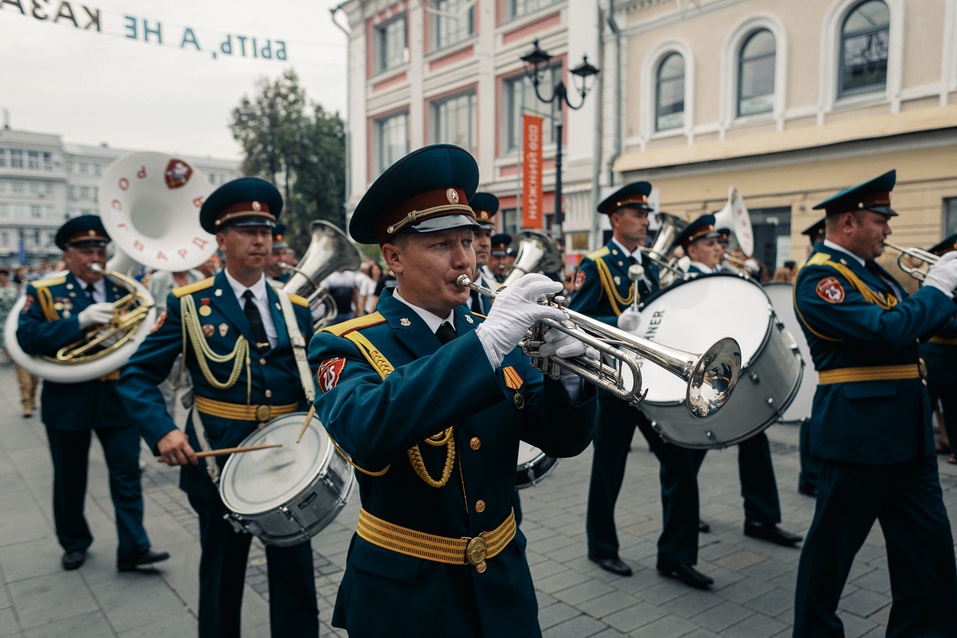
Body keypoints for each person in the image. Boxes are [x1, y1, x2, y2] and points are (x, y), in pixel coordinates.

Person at [308, 144, 598, 638]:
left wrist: (568, 373)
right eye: (442, 245)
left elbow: (563, 440)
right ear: (394, 257)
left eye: (468, 240)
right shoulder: (346, 342)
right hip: (408, 598)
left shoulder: (493, 330)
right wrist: (486, 345)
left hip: (503, 584)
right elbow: (365, 430)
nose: (465, 259)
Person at [116, 178, 319, 638]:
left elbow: (311, 380)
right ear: (221, 239)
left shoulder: (296, 307)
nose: (261, 240)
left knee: (296, 578)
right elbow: (136, 377)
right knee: (223, 575)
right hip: (220, 460)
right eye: (248, 230)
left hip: (288, 458)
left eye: (267, 230)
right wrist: (164, 431)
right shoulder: (190, 305)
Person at [792, 170, 957, 636]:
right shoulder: (820, 278)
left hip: (908, 434)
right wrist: (939, 287)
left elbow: (912, 325)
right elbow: (886, 332)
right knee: (831, 557)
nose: (888, 229)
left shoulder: (873, 273)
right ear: (848, 223)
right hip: (859, 436)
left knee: (930, 554)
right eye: (880, 219)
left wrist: (941, 295)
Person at [569, 182, 710, 587]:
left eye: (647, 215)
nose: (647, 222)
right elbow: (575, 323)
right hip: (614, 383)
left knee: (681, 463)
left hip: (651, 384)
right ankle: (602, 547)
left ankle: (677, 556)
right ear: (616, 219)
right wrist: (616, 325)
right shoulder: (595, 265)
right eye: (638, 214)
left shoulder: (649, 265)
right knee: (609, 467)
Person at [16, 215, 169, 572]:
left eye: (100, 248)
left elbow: (144, 337)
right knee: (70, 478)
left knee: (127, 474)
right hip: (68, 399)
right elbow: (28, 339)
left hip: (118, 397)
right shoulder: (44, 292)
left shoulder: (124, 290)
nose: (95, 256)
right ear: (67, 256)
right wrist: (79, 322)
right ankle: (74, 542)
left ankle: (134, 546)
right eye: (85, 250)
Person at [677, 215, 803, 551]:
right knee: (691, 451)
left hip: (735, 372)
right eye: (710, 244)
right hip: (704, 376)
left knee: (754, 440)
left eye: (721, 243)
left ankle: (761, 517)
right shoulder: (682, 282)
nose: (719, 249)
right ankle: (685, 516)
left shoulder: (728, 278)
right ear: (691, 249)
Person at [796, 217, 826, 497]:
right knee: (811, 416)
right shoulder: (815, 269)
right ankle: (810, 475)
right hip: (815, 354)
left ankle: (811, 475)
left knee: (812, 416)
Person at [921, 234, 957, 464]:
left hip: (954, 358)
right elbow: (937, 321)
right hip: (933, 357)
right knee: (925, 408)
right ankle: (920, 451)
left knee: (955, 410)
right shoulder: (933, 279)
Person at [468, 192, 499, 315]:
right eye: (477, 234)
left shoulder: (494, 289)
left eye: (488, 234)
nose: (485, 243)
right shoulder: (445, 292)